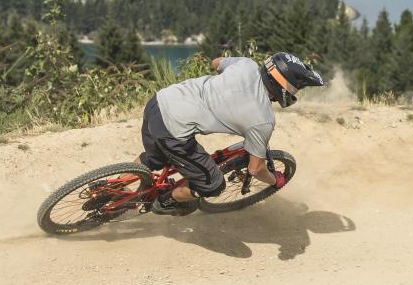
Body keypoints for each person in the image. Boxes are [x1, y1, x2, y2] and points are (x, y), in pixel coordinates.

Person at [138, 52, 325, 215]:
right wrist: (274, 179)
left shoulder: (247, 64)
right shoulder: (263, 120)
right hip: (172, 129)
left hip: (159, 101)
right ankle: (165, 202)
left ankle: (114, 187)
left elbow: (216, 63)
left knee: (154, 159)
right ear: (286, 88)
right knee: (212, 184)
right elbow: (256, 169)